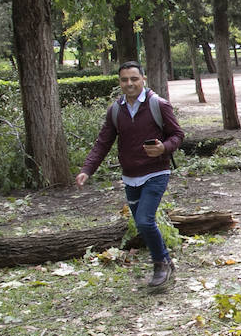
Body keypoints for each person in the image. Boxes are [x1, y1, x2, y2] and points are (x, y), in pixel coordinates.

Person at [76, 61, 185, 289]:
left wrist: (163, 148)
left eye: (134, 79)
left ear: (143, 79)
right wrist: (87, 170)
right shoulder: (116, 110)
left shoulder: (158, 105)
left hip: (156, 172)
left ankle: (160, 266)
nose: (129, 84)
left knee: (145, 220)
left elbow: (177, 134)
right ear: (120, 82)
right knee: (141, 223)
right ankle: (165, 258)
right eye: (125, 80)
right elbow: (103, 143)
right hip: (130, 176)